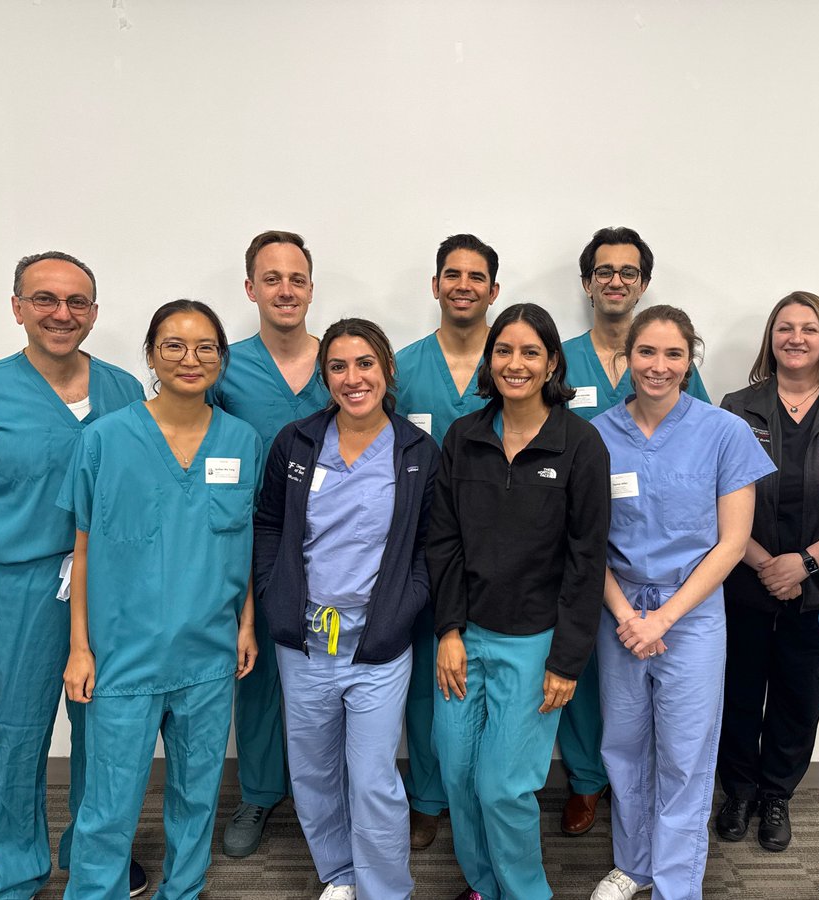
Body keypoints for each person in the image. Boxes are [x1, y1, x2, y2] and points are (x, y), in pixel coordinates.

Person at [0, 251, 148, 900]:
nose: (61, 314)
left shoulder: (126, 391)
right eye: (45, 299)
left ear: (95, 313)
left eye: (77, 302)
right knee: (15, 735)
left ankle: (96, 857)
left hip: (110, 589)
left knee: (107, 731)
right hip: (14, 589)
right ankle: (15, 870)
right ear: (16, 307)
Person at [60, 300, 262, 899]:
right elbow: (83, 551)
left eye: (205, 347)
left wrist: (246, 624)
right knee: (109, 804)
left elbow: (244, 540)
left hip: (207, 652)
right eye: (173, 345)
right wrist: (79, 647)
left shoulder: (242, 440)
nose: (190, 358)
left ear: (222, 359)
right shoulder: (105, 440)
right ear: (150, 355)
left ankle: (185, 889)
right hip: (124, 654)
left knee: (197, 795)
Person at [589, 305, 775, 900]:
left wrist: (664, 617)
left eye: (674, 354)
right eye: (647, 352)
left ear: (689, 359)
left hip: (690, 615)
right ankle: (633, 865)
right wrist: (625, 616)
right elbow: (584, 543)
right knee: (622, 744)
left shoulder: (724, 431)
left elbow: (733, 542)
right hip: (617, 611)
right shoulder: (595, 435)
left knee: (685, 753)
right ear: (626, 358)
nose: (659, 366)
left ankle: (675, 881)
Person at [428, 302, 611, 900]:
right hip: (465, 638)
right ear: (489, 360)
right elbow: (444, 540)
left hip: (535, 644)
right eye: (503, 350)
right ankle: (483, 887)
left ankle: (526, 892)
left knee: (503, 786)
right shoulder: (464, 437)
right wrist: (449, 630)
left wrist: (567, 660)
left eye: (530, 352)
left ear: (552, 362)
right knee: (457, 774)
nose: (515, 363)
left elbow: (588, 561)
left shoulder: (581, 446)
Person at [253, 318, 439, 900]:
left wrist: (405, 608)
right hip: (304, 639)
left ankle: (385, 889)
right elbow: (268, 524)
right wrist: (272, 591)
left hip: (378, 642)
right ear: (324, 375)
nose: (353, 378)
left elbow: (433, 545)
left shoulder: (415, 450)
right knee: (312, 771)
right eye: (338, 366)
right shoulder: (297, 442)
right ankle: (337, 874)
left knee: (375, 778)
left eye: (365, 364)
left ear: (386, 370)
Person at [558, 226, 712, 836]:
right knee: (577, 665)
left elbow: (694, 440)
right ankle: (586, 782)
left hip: (656, 558)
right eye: (604, 270)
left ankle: (643, 806)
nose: (616, 280)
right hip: (576, 543)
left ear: (643, 284)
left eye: (628, 271)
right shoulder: (562, 356)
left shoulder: (670, 360)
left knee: (643, 682)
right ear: (588, 283)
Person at [714, 292, 819, 852]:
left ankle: (776, 792)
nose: (797, 338)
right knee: (737, 691)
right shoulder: (737, 407)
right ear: (771, 337)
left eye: (809, 328)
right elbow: (714, 497)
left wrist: (805, 563)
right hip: (744, 577)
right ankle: (736, 789)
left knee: (800, 695)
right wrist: (763, 563)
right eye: (785, 327)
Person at [210, 229, 330, 857]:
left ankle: (333, 799)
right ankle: (258, 794)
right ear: (251, 288)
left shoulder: (342, 360)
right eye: (273, 279)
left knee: (332, 672)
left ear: (312, 287)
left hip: (340, 546)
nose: (286, 290)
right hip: (257, 544)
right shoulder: (225, 367)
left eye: (297, 279)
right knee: (256, 673)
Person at [394, 233, 500, 849]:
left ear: (493, 289)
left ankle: (492, 790)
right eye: (452, 274)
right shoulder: (403, 368)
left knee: (494, 672)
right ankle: (430, 796)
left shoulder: (515, 360)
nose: (464, 285)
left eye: (476, 276)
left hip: (498, 549)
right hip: (414, 545)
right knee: (427, 675)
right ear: (435, 285)